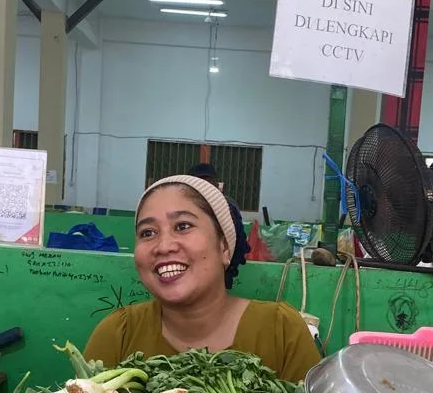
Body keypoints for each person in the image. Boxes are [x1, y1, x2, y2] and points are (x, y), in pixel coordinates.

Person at [84, 175, 321, 381]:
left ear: (224, 247)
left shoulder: (281, 332)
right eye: (148, 233)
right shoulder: (119, 334)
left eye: (183, 226)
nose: (164, 246)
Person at [186, 162, 251, 288]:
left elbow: (238, 241)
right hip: (217, 270)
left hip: (211, 271)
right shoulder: (227, 204)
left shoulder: (227, 206)